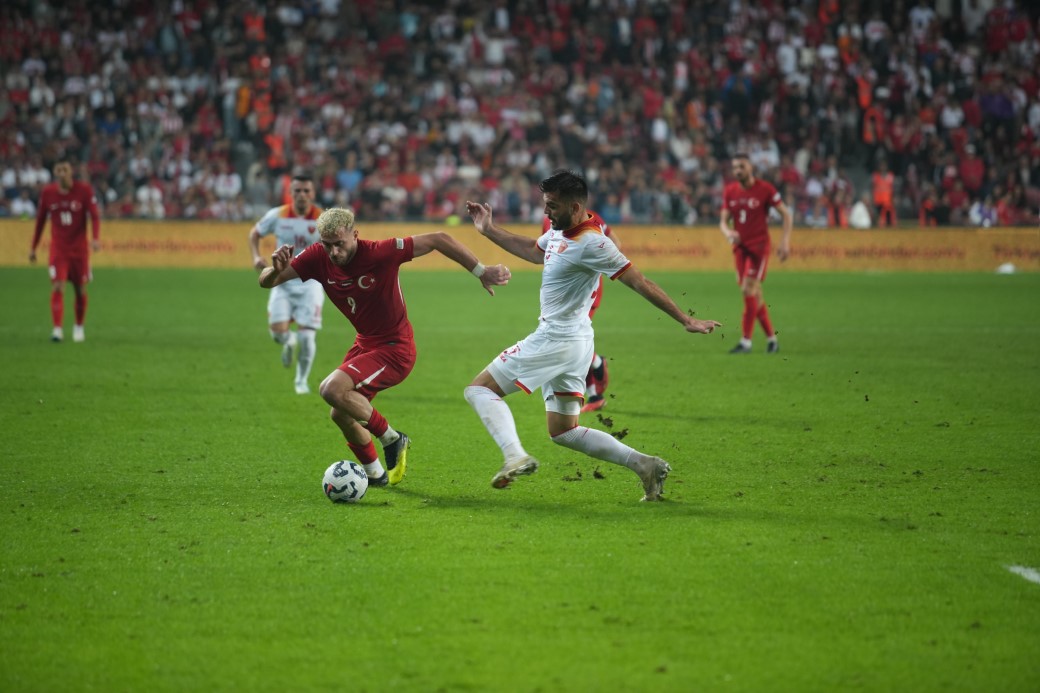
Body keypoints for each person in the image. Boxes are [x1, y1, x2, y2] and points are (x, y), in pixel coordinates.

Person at [464, 170, 721, 502]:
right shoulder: (559, 231)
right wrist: (488, 230)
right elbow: (532, 249)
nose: (546, 213)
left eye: (552, 206)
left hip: (556, 340)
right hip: (577, 343)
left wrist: (685, 319)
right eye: (545, 204)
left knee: (478, 390)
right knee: (564, 432)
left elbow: (640, 282)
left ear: (575, 207)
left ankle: (514, 455)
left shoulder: (594, 242)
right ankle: (646, 466)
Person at [259, 207, 510, 487]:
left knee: (331, 389)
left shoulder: (380, 252)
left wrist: (481, 271)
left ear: (354, 235)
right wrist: (276, 271)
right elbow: (266, 281)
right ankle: (375, 474)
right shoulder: (317, 257)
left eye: (339, 244)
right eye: (328, 245)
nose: (334, 253)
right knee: (340, 412)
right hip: (365, 344)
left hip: (395, 349)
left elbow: (439, 238)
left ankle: (392, 438)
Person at [248, 171, 324, 395]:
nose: (302, 195)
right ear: (290, 193)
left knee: (308, 336)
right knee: (277, 334)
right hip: (281, 280)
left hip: (311, 283)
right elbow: (254, 233)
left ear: (313, 193)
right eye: (297, 191)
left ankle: (301, 381)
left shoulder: (322, 218)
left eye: (306, 190)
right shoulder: (278, 214)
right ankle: (288, 341)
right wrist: (255, 256)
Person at [540, 209, 620, 413]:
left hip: (582, 293)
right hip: (563, 293)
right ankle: (594, 393)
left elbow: (614, 244)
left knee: (570, 339)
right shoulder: (549, 220)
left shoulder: (589, 217)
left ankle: (595, 367)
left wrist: (592, 270)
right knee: (570, 339)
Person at [719, 153, 793, 354]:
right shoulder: (730, 191)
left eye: (741, 166)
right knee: (754, 294)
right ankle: (772, 340)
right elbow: (723, 221)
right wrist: (728, 232)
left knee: (747, 289)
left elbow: (786, 214)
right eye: (735, 167)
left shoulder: (765, 189)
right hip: (740, 249)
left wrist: (785, 241)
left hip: (758, 248)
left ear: (751, 167)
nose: (738, 171)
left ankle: (746, 342)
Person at [29, 158, 101, 343]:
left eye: (65, 169)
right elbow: (40, 221)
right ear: (54, 172)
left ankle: (78, 326)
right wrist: (33, 247)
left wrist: (95, 239)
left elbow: (94, 215)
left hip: (79, 250)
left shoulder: (83, 190)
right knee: (58, 285)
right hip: (59, 249)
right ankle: (57, 329)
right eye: (59, 169)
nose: (62, 173)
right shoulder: (48, 193)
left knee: (79, 289)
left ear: (71, 172)